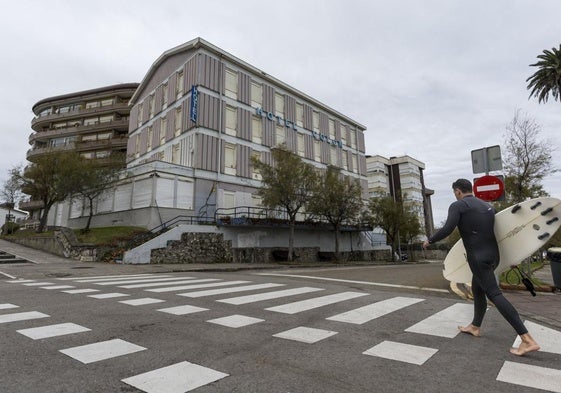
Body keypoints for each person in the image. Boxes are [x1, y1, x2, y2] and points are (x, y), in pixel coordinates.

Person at [422, 178, 540, 356]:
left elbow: (448, 228)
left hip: (478, 258)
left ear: (458, 192)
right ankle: (475, 326)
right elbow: (501, 233)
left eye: (455, 193)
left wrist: (430, 240)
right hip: (494, 256)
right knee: (477, 288)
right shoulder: (488, 207)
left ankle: (526, 339)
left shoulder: (459, 206)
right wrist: (511, 256)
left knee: (494, 294)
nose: (455, 195)